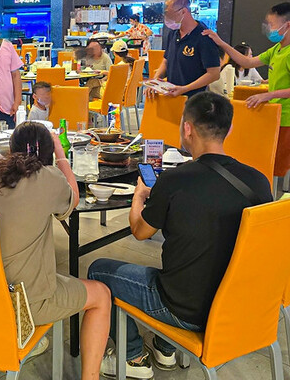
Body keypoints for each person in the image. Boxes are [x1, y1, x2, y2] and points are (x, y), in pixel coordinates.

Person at [88, 92, 272, 377]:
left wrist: (139, 197)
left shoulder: (174, 180)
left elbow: (140, 231)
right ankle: (165, 348)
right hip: (238, 306)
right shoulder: (258, 181)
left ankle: (133, 358)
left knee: (99, 271)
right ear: (229, 128)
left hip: (184, 309)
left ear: (187, 128)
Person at [0, 121, 111, 380]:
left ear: (10, 148)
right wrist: (61, 155)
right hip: (25, 303)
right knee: (101, 295)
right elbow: (73, 198)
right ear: (48, 152)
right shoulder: (49, 178)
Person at [204, 2, 290, 186]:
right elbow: (247, 62)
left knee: (272, 169)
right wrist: (222, 43)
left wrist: (268, 95)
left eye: (272, 24)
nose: (268, 29)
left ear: (287, 25)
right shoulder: (278, 49)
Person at [148, 0, 220, 99]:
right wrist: (156, 80)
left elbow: (214, 73)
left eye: (170, 16)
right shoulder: (173, 33)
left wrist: (185, 88)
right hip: (172, 98)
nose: (167, 19)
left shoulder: (204, 36)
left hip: (194, 100)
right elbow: (166, 61)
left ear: (183, 11)